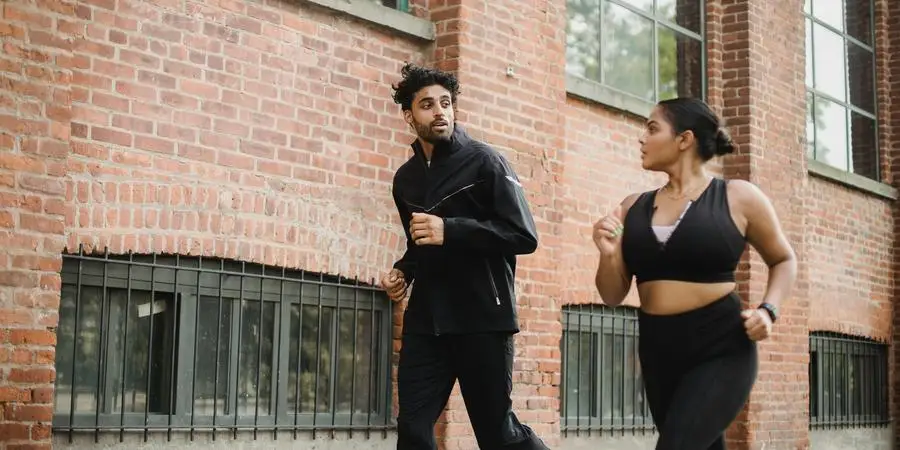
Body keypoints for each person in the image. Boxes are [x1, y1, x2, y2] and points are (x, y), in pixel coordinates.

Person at [592, 97, 797, 449]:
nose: (642, 138)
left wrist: (769, 310)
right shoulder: (632, 207)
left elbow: (784, 260)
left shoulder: (739, 197)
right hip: (658, 349)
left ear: (684, 139)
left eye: (653, 128)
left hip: (721, 346)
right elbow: (612, 295)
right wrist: (609, 255)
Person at [379, 63, 550, 450]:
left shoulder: (486, 162)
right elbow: (417, 243)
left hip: (482, 318)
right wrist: (402, 271)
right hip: (428, 323)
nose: (440, 111)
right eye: (427, 105)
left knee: (497, 434)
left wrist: (451, 230)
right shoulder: (405, 180)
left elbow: (523, 235)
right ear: (409, 116)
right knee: (413, 430)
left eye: (445, 103)